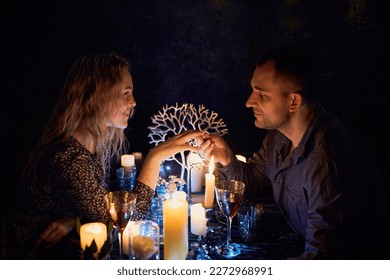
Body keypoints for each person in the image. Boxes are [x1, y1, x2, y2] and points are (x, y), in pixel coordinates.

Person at [1, 53, 203, 259]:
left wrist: (74, 219)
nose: (133, 102)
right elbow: (128, 218)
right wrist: (155, 157)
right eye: (126, 92)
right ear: (98, 95)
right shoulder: (67, 158)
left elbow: (101, 202)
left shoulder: (97, 144)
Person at [198, 47, 390, 259]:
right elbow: (253, 179)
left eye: (262, 94)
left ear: (294, 102)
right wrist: (226, 157)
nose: (249, 102)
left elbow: (323, 259)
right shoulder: (279, 136)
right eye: (253, 90)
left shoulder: (326, 163)